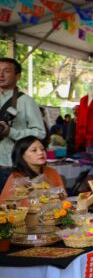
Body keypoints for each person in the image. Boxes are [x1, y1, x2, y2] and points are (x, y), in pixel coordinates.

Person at [0, 58, 47, 193]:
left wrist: (11, 132)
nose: (1, 75)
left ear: (18, 76)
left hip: (11, 167)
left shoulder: (25, 101)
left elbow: (40, 133)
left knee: (11, 208)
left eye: (6, 71)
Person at [0, 136, 65, 202]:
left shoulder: (52, 172)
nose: (40, 153)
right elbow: (6, 206)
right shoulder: (16, 178)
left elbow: (63, 197)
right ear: (22, 156)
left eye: (42, 149)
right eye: (34, 150)